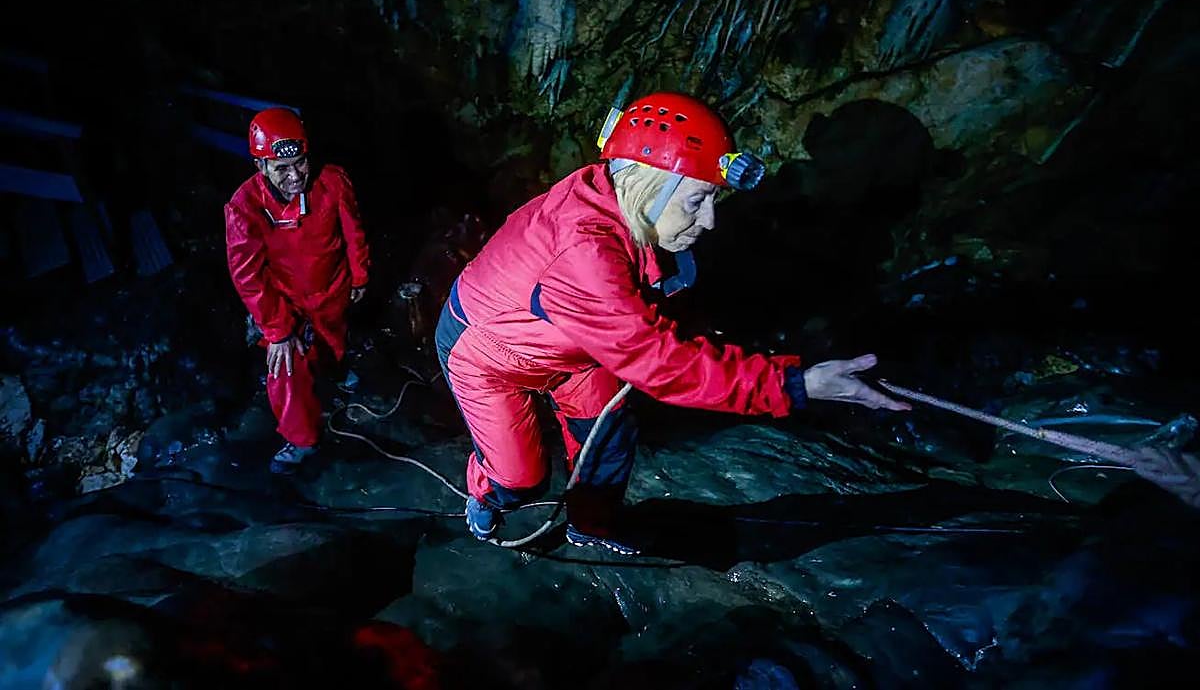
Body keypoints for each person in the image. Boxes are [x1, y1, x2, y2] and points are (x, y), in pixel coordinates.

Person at [435, 92, 908, 554]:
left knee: (611, 433)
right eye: (697, 200)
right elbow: (660, 364)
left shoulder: (618, 206)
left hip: (575, 353)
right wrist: (796, 384)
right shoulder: (584, 251)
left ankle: (592, 523)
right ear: (647, 185)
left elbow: (652, 310)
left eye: (711, 202)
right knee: (520, 477)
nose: (709, 221)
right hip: (486, 355)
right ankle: (486, 497)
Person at [224, 108, 370, 473]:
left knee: (334, 342)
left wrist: (360, 275)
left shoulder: (332, 182)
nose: (294, 177)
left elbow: (353, 231)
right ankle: (301, 438)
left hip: (332, 289)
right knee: (285, 368)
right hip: (286, 304)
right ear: (261, 167)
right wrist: (277, 329)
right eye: (281, 169)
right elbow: (248, 274)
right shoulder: (244, 208)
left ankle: (335, 372)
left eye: (300, 164)